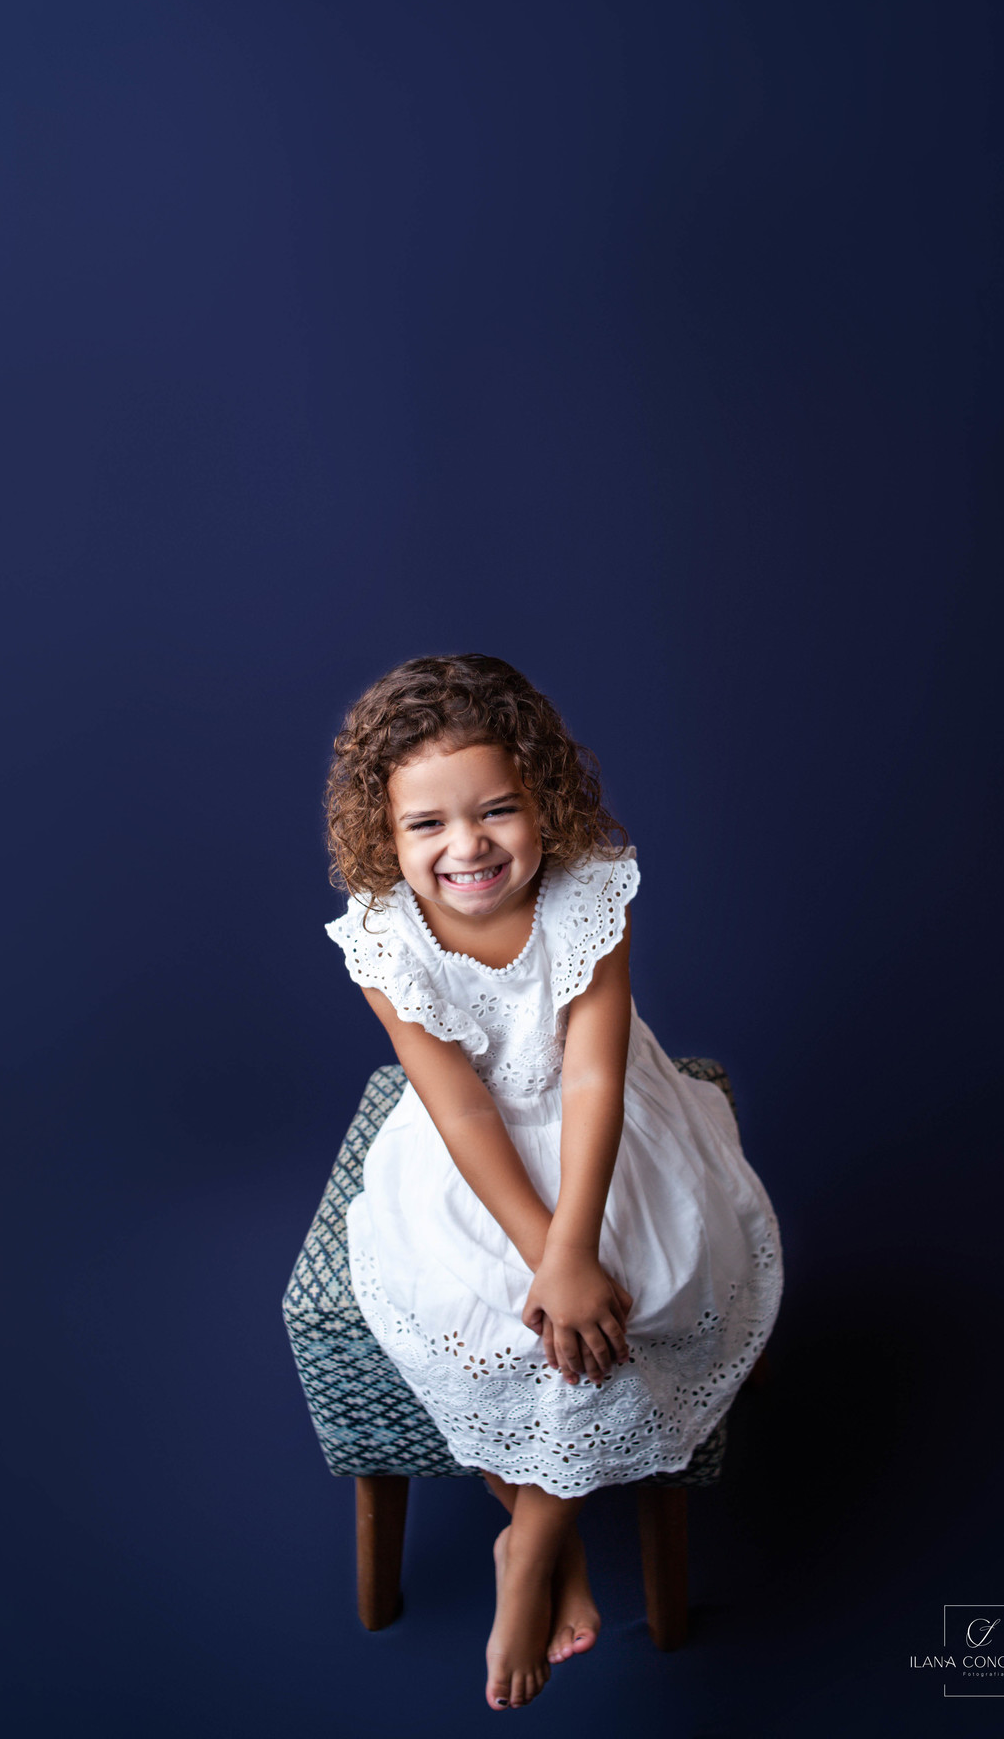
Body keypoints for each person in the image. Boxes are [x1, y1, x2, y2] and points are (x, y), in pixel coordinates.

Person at [323, 653, 783, 1711]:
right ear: (387, 838)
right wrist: (543, 1255)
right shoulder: (388, 937)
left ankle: (531, 1543)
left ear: (545, 797)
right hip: (469, 1158)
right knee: (496, 1317)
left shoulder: (591, 894)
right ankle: (552, 1535)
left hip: (607, 1128)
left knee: (639, 1293)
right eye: (426, 825)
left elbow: (590, 1072)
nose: (468, 846)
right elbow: (461, 1106)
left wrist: (578, 1248)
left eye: (496, 810)